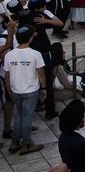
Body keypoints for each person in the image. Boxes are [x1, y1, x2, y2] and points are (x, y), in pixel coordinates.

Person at [4, 25, 46, 155]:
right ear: (30, 38)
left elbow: (7, 75)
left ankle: (15, 142)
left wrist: (9, 89)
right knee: (27, 116)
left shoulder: (9, 55)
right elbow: (41, 74)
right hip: (30, 90)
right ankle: (27, 143)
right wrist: (44, 88)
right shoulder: (35, 54)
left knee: (18, 115)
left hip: (16, 90)